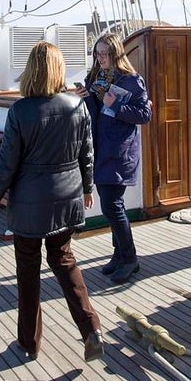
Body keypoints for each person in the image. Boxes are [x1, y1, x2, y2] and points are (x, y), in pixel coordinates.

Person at [0, 42, 103, 363]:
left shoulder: (20, 111)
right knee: (63, 260)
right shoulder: (78, 107)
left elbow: (7, 164)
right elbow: (86, 154)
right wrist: (87, 188)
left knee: (28, 270)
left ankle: (29, 342)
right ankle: (91, 328)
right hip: (67, 197)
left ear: (31, 70)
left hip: (30, 205)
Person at [73, 32, 152, 284]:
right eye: (97, 53)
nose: (100, 57)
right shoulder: (95, 78)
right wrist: (86, 98)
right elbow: (96, 114)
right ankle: (119, 256)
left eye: (105, 53)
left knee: (112, 206)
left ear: (116, 53)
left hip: (119, 151)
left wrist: (116, 105)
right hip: (101, 148)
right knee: (111, 205)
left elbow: (144, 114)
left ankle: (130, 259)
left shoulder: (131, 81)